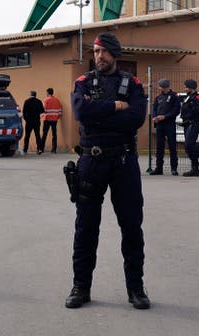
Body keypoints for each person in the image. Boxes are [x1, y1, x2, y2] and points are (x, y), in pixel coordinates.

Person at [65, 32, 150, 311]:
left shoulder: (133, 84)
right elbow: (81, 111)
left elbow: (136, 117)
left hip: (124, 162)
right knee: (85, 228)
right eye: (96, 51)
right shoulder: (83, 82)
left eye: (104, 52)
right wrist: (114, 106)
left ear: (115, 54)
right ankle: (81, 287)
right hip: (92, 161)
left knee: (131, 227)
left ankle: (136, 288)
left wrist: (99, 114)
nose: (98, 56)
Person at [148, 78, 180, 176]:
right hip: (160, 125)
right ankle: (159, 168)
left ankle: (174, 168)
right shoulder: (159, 97)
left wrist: (165, 116)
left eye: (160, 86)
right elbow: (154, 108)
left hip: (169, 124)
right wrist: (154, 117)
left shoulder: (174, 96)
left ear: (164, 86)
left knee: (172, 147)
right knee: (159, 147)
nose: (158, 88)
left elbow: (176, 110)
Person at [180, 79, 199, 177]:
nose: (184, 89)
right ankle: (195, 169)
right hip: (186, 124)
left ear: (191, 88)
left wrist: (191, 105)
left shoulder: (198, 97)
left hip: (194, 124)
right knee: (188, 147)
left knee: (189, 145)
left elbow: (198, 110)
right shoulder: (187, 97)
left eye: (186, 87)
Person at [22, 90, 45, 154]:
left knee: (27, 136)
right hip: (36, 121)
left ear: (30, 95)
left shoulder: (26, 101)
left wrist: (26, 119)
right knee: (37, 135)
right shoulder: (39, 101)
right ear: (35, 95)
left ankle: (25, 149)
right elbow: (42, 111)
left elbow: (24, 112)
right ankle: (39, 149)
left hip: (29, 122)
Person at [41, 87, 62, 154]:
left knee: (44, 134)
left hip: (47, 119)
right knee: (54, 135)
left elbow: (43, 110)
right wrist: (56, 117)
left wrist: (42, 117)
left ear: (47, 93)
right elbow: (60, 112)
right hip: (54, 120)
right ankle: (54, 150)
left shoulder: (46, 100)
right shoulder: (57, 100)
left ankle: (41, 148)